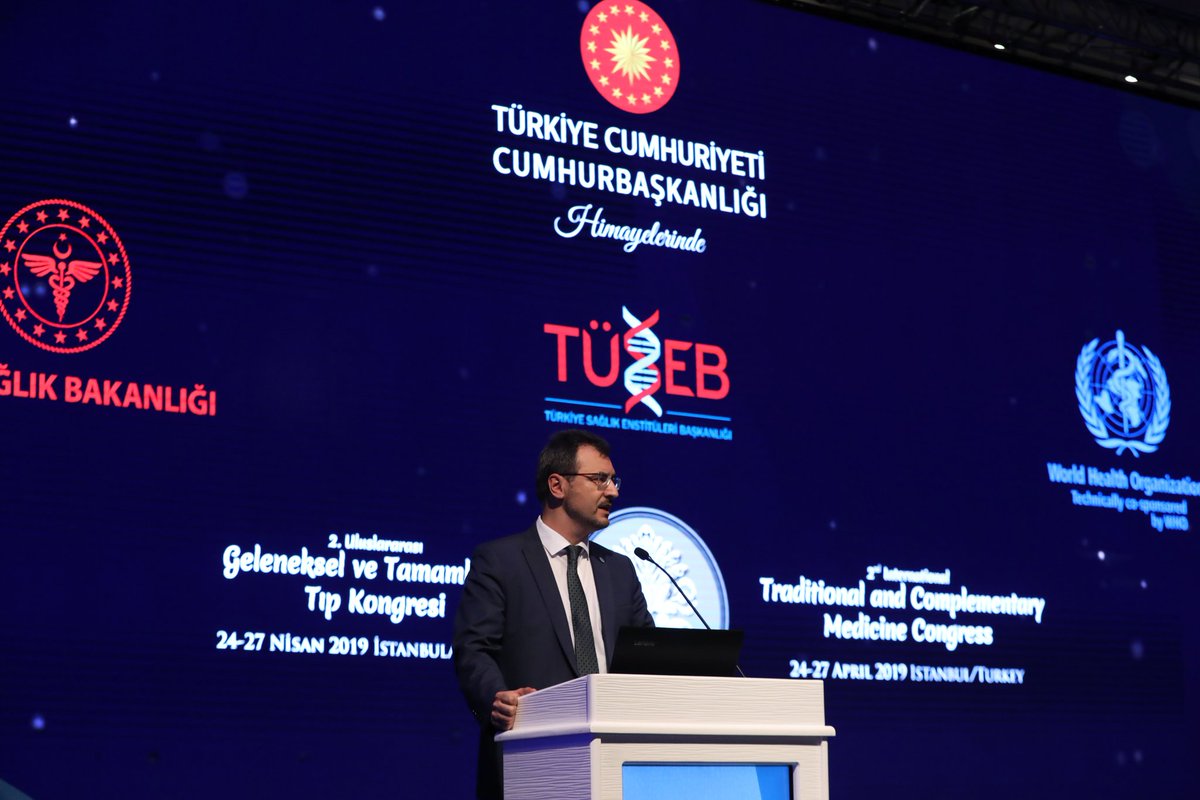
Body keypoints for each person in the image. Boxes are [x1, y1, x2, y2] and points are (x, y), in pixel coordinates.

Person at [453, 429, 654, 799]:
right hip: (530, 759)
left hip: (616, 764)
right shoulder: (501, 561)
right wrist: (496, 696)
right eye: (600, 479)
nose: (613, 491)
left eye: (614, 480)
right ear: (557, 485)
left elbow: (648, 655)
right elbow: (474, 649)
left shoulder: (620, 570)